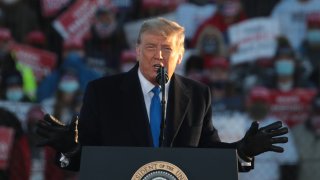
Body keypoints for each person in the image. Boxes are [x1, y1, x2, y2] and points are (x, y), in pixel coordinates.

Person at [36, 17, 288, 172]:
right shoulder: (102, 92)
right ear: (136, 50)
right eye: (150, 47)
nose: (158, 55)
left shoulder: (198, 95)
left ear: (180, 56)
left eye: (167, 48)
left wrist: (242, 151)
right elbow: (85, 159)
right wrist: (69, 147)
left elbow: (208, 155)